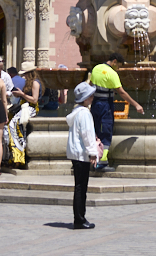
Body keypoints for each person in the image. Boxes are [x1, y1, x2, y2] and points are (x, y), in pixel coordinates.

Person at [89, 52, 143, 168]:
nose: (118, 68)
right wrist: (136, 104)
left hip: (95, 104)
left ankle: (94, 157)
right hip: (106, 105)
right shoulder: (112, 73)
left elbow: (90, 85)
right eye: (118, 65)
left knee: (96, 129)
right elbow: (122, 92)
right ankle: (103, 159)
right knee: (106, 130)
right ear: (114, 62)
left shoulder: (96, 68)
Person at [65, 81, 100, 230]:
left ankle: (79, 217)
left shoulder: (76, 112)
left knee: (79, 186)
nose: (92, 97)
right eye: (90, 96)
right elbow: (87, 134)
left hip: (75, 153)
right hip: (81, 154)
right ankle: (79, 218)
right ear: (85, 99)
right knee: (81, 187)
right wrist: (92, 152)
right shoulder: (85, 113)